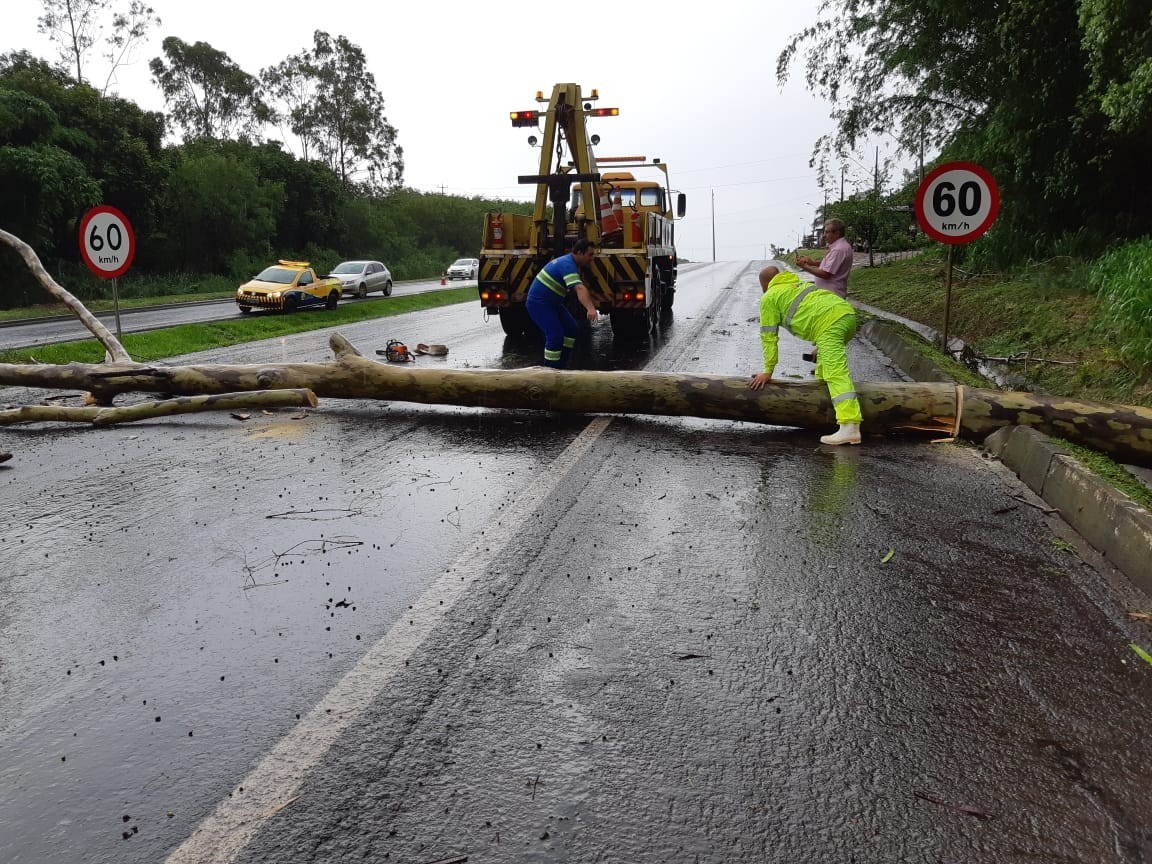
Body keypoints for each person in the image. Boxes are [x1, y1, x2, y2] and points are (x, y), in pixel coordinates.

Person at [748, 265, 863, 445]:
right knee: (823, 372)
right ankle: (825, 413)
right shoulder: (797, 284)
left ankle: (850, 425)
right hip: (847, 316)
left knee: (835, 374)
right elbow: (814, 309)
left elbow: (769, 338)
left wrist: (768, 371)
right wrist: (821, 345)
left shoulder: (769, 297)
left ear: (765, 284)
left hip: (830, 324)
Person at [525, 239, 599, 368]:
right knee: (555, 335)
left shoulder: (570, 263)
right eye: (590, 255)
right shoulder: (567, 264)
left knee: (571, 329)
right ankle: (550, 371)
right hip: (539, 303)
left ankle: (561, 367)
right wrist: (590, 308)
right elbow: (580, 288)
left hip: (553, 303)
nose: (592, 258)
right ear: (580, 253)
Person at [794, 218, 853, 298]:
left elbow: (825, 274)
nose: (824, 235)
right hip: (829, 294)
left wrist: (804, 267)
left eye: (827, 232)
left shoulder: (838, 250)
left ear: (837, 233)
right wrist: (812, 263)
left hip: (831, 295)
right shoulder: (839, 247)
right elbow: (831, 264)